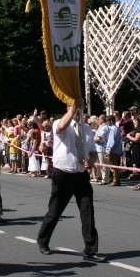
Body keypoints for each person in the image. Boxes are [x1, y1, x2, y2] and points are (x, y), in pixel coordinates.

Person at [37, 97, 105, 262]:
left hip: (81, 175)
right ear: (68, 108)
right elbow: (60, 128)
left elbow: (93, 151)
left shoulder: (87, 129)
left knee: (88, 213)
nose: (78, 110)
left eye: (81, 107)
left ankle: (90, 250)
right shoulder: (59, 123)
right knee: (54, 212)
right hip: (63, 174)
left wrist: (92, 160)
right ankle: (43, 240)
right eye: (75, 107)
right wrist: (73, 108)